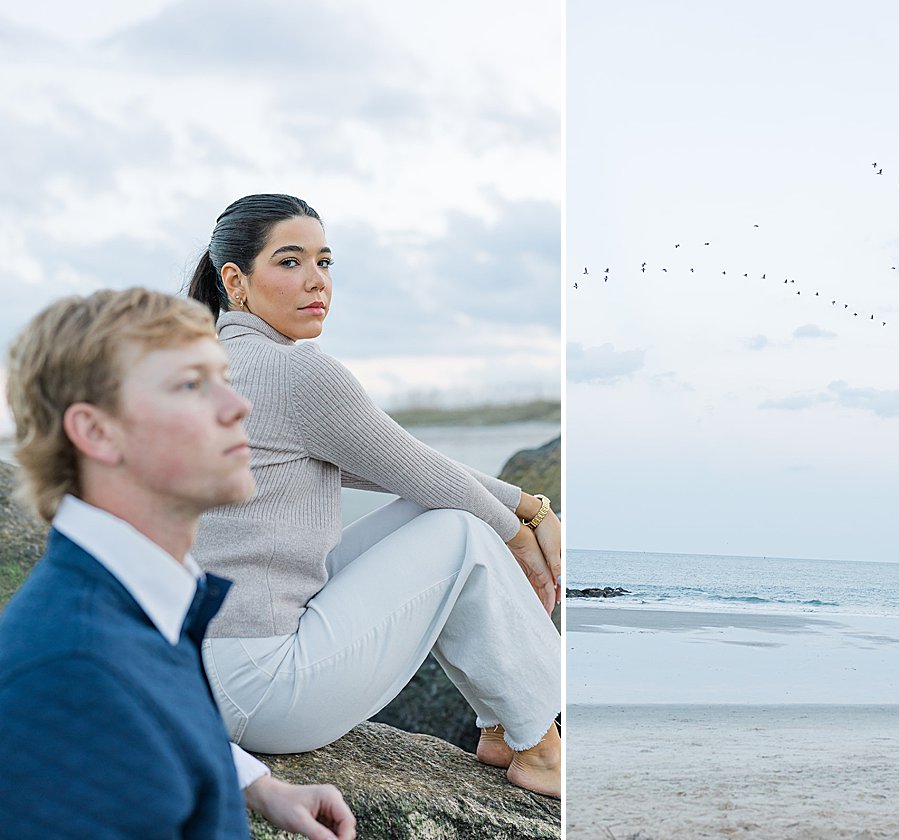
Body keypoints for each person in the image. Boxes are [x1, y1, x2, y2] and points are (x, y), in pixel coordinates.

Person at [186, 194, 561, 798]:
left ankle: (501, 723)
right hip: (261, 687)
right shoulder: (299, 373)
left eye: (325, 262)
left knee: (434, 511)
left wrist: (524, 506)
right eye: (290, 262)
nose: (317, 282)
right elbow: (418, 468)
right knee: (461, 530)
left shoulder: (212, 366)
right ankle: (540, 746)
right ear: (236, 281)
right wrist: (523, 528)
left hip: (203, 676)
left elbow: (402, 469)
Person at [0, 289, 355, 838]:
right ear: (96, 432)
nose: (238, 406)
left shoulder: (134, 600)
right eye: (191, 385)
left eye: (224, 376)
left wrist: (253, 783)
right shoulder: (73, 669)